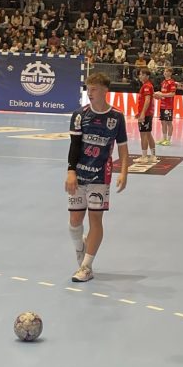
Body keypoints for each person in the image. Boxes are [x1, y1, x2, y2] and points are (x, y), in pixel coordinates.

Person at [66, 71, 129, 283]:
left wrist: (124, 172)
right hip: (79, 174)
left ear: (104, 91)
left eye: (93, 89)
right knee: (74, 221)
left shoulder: (116, 117)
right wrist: (71, 172)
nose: (89, 92)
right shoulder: (79, 115)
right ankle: (80, 248)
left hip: (101, 175)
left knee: (95, 219)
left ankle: (86, 267)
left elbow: (123, 149)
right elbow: (74, 147)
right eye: (88, 88)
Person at [135, 70, 157, 161]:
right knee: (148, 134)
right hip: (147, 113)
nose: (140, 76)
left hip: (146, 114)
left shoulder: (147, 86)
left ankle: (144, 157)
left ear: (147, 76)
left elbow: (147, 100)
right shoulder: (146, 86)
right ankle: (153, 155)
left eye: (142, 74)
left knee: (143, 134)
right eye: (140, 74)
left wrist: (143, 113)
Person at [158, 68, 178, 147]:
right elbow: (163, 93)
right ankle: (164, 138)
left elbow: (172, 94)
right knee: (163, 122)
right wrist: (158, 95)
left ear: (170, 73)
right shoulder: (163, 82)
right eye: (164, 71)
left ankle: (169, 140)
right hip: (162, 105)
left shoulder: (171, 82)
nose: (165, 73)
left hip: (168, 106)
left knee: (169, 122)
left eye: (166, 71)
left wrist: (162, 95)